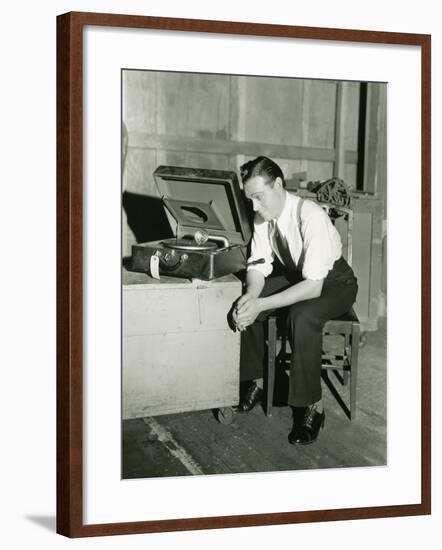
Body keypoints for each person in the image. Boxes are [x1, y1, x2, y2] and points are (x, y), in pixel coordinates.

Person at [232, 156, 358, 445]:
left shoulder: (310, 214)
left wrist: (263, 305)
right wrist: (252, 297)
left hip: (334, 282)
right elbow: (258, 266)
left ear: (277, 185)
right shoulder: (262, 216)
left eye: (258, 197)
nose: (254, 206)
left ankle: (312, 406)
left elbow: (313, 287)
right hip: (299, 275)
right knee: (246, 298)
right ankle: (258, 380)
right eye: (249, 198)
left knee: (301, 316)